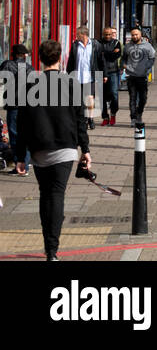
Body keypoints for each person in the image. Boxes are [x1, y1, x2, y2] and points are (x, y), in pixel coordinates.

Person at [14, 39, 91, 261]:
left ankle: (48, 243)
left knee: (45, 195)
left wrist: (21, 156)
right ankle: (52, 250)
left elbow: (22, 123)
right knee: (56, 195)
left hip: (40, 149)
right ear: (61, 58)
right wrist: (85, 149)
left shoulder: (29, 85)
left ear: (40, 59)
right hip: (65, 148)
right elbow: (80, 120)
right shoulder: (72, 84)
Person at [1, 43, 31, 175]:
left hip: (13, 105)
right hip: (27, 105)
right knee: (26, 134)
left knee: (14, 136)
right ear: (23, 55)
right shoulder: (29, 68)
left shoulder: (7, 64)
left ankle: (19, 165)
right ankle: (26, 164)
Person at [66, 26, 103, 130]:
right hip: (77, 77)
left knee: (89, 99)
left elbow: (100, 60)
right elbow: (71, 61)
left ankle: (90, 118)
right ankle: (81, 120)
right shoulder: (75, 45)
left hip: (90, 77)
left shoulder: (95, 45)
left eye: (77, 34)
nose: (76, 36)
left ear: (83, 34)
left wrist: (104, 75)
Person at [122, 27, 155, 127]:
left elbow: (152, 58)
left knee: (143, 98)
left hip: (142, 76)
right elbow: (123, 58)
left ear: (140, 35)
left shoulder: (147, 46)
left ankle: (139, 114)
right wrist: (125, 66)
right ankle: (133, 118)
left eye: (136, 34)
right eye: (133, 35)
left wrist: (147, 68)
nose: (134, 36)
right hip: (131, 76)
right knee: (132, 98)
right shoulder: (127, 46)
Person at [99, 27, 122, 126]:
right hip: (100, 72)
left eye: (109, 34)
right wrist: (111, 52)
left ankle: (113, 114)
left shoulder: (116, 43)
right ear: (103, 34)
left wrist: (105, 53)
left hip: (113, 71)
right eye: (106, 34)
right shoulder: (98, 43)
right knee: (101, 96)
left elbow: (115, 57)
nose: (108, 36)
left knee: (114, 94)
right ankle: (105, 117)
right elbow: (99, 56)